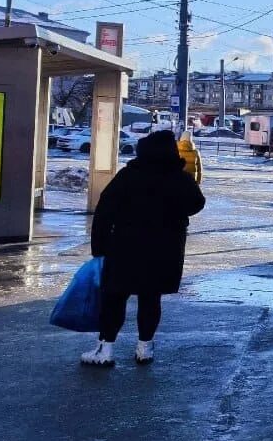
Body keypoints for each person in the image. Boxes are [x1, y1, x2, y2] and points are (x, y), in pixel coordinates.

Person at [81, 130, 206, 366]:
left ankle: (105, 350)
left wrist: (99, 248)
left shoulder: (129, 176)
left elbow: (104, 211)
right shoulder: (179, 178)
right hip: (164, 250)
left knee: (115, 298)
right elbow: (197, 204)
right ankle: (144, 348)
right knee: (151, 299)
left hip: (125, 249)